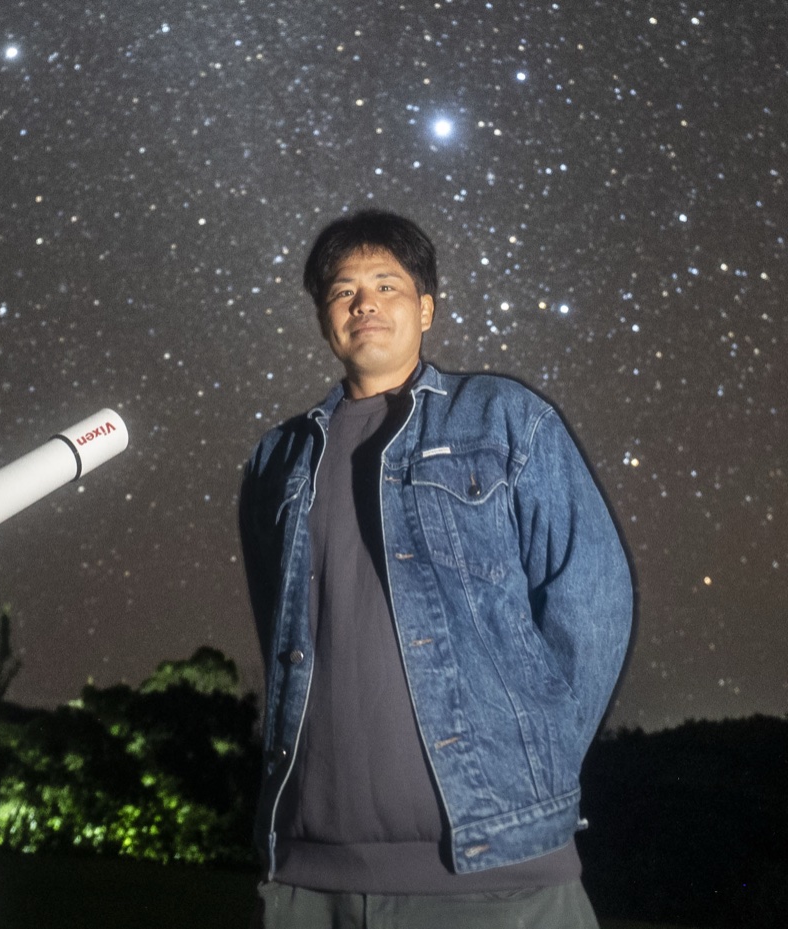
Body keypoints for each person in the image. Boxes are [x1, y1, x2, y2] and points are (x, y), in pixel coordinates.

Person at [238, 210, 633, 928]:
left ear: (425, 308)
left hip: (497, 878)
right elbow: (279, 623)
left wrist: (531, 762)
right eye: (343, 289)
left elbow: (592, 600)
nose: (365, 303)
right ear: (324, 315)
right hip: (308, 878)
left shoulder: (504, 418)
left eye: (387, 285)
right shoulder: (278, 457)